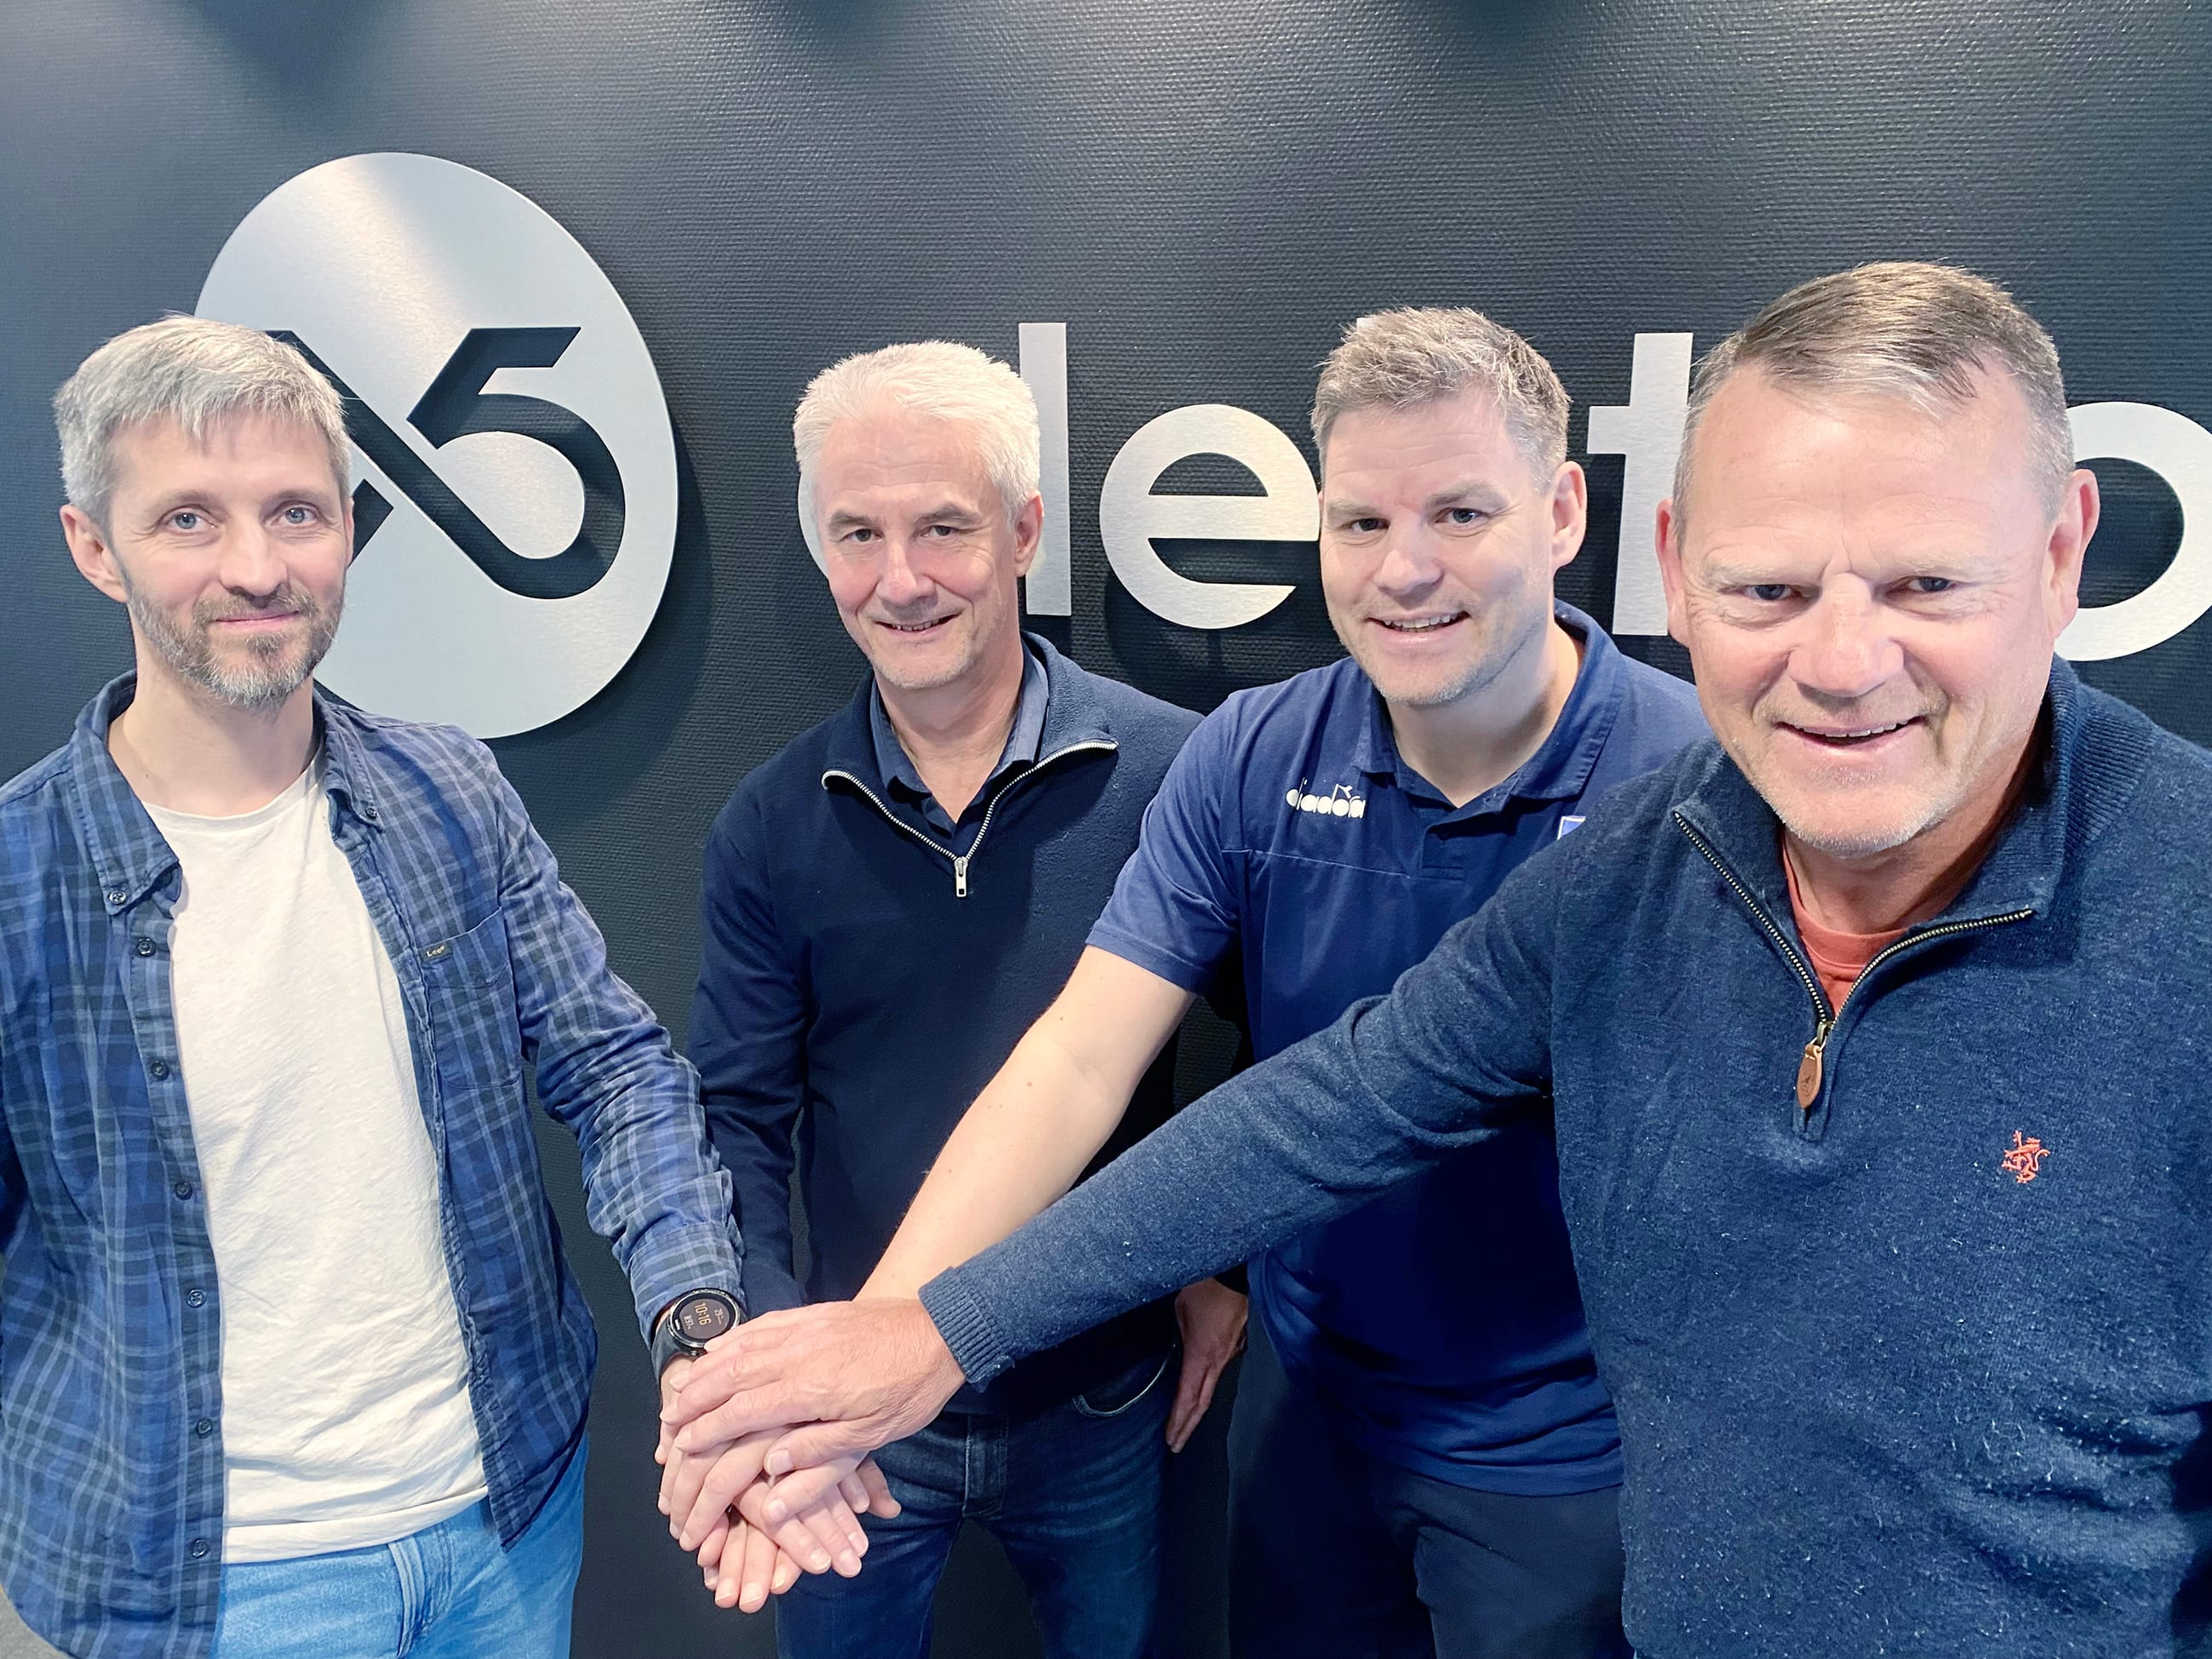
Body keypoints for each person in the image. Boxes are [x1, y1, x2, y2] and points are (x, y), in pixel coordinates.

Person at [666, 262, 2212, 1658]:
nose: (1842, 660)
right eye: (1769, 590)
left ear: (2061, 553)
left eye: (1926, 582)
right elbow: (1316, 1105)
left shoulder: (2151, 897)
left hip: (1560, 1485)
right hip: (1339, 1441)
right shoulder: (1641, 854)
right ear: (1681, 569)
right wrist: (917, 1333)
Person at [680, 308, 1704, 1657]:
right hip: (1309, 1422)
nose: (1404, 569)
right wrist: (876, 1350)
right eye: (1359, 522)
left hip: (1564, 1455)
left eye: (1459, 513)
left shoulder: (1691, 787)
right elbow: (1075, 1060)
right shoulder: (1255, 754)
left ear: (1563, 511)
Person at [0, 316, 878, 1659]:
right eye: (188, 518)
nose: (256, 566)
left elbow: (617, 1071)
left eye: (294, 511)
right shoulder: (20, 872)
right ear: (93, 544)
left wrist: (703, 1339)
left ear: (350, 525)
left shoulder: (447, 789)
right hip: (211, 1588)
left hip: (505, 1524)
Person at [676, 340, 1235, 1653]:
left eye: (942, 527)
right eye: (857, 534)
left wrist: (1230, 1265)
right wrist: (775, 1365)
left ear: (1024, 531)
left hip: (1099, 1388)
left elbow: (1280, 1041)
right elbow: (737, 1121)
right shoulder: (770, 822)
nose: (901, 578)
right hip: (851, 1420)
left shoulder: (1174, 772)